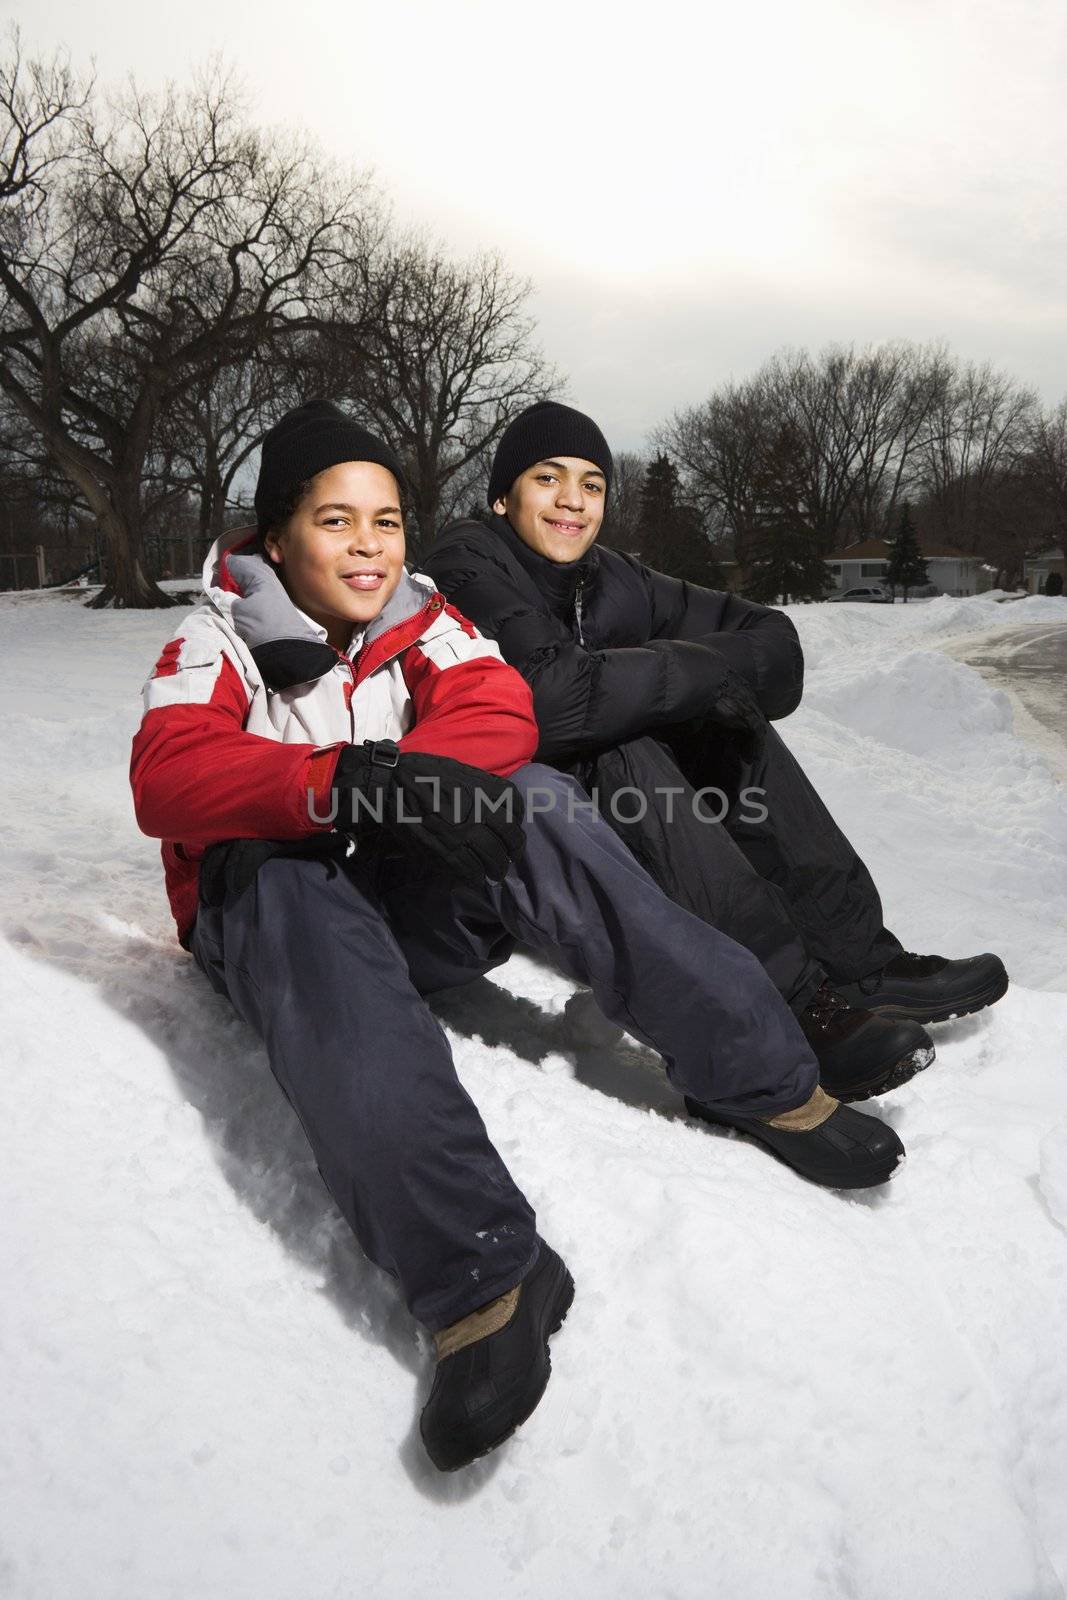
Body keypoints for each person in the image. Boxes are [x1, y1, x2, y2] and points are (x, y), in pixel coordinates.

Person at [130, 401, 903, 1474]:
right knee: (269, 871)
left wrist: (419, 780)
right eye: (335, 521)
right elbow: (166, 774)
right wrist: (340, 779)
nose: (367, 546)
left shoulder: (422, 616)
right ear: (276, 537)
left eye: (387, 520)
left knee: (531, 791)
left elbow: (503, 706)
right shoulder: (214, 637)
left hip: (408, 907)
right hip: (291, 927)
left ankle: (756, 1071)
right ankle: (485, 1278)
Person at [424, 401, 1009, 1101]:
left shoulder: (613, 577)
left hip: (580, 819)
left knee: (727, 722)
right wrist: (698, 669)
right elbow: (548, 700)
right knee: (627, 741)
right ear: (501, 494)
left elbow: (774, 643)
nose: (571, 502)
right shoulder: (464, 563)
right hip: (473, 835)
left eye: (591, 485)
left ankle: (856, 963)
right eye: (547, 479)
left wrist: (699, 678)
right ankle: (786, 1006)